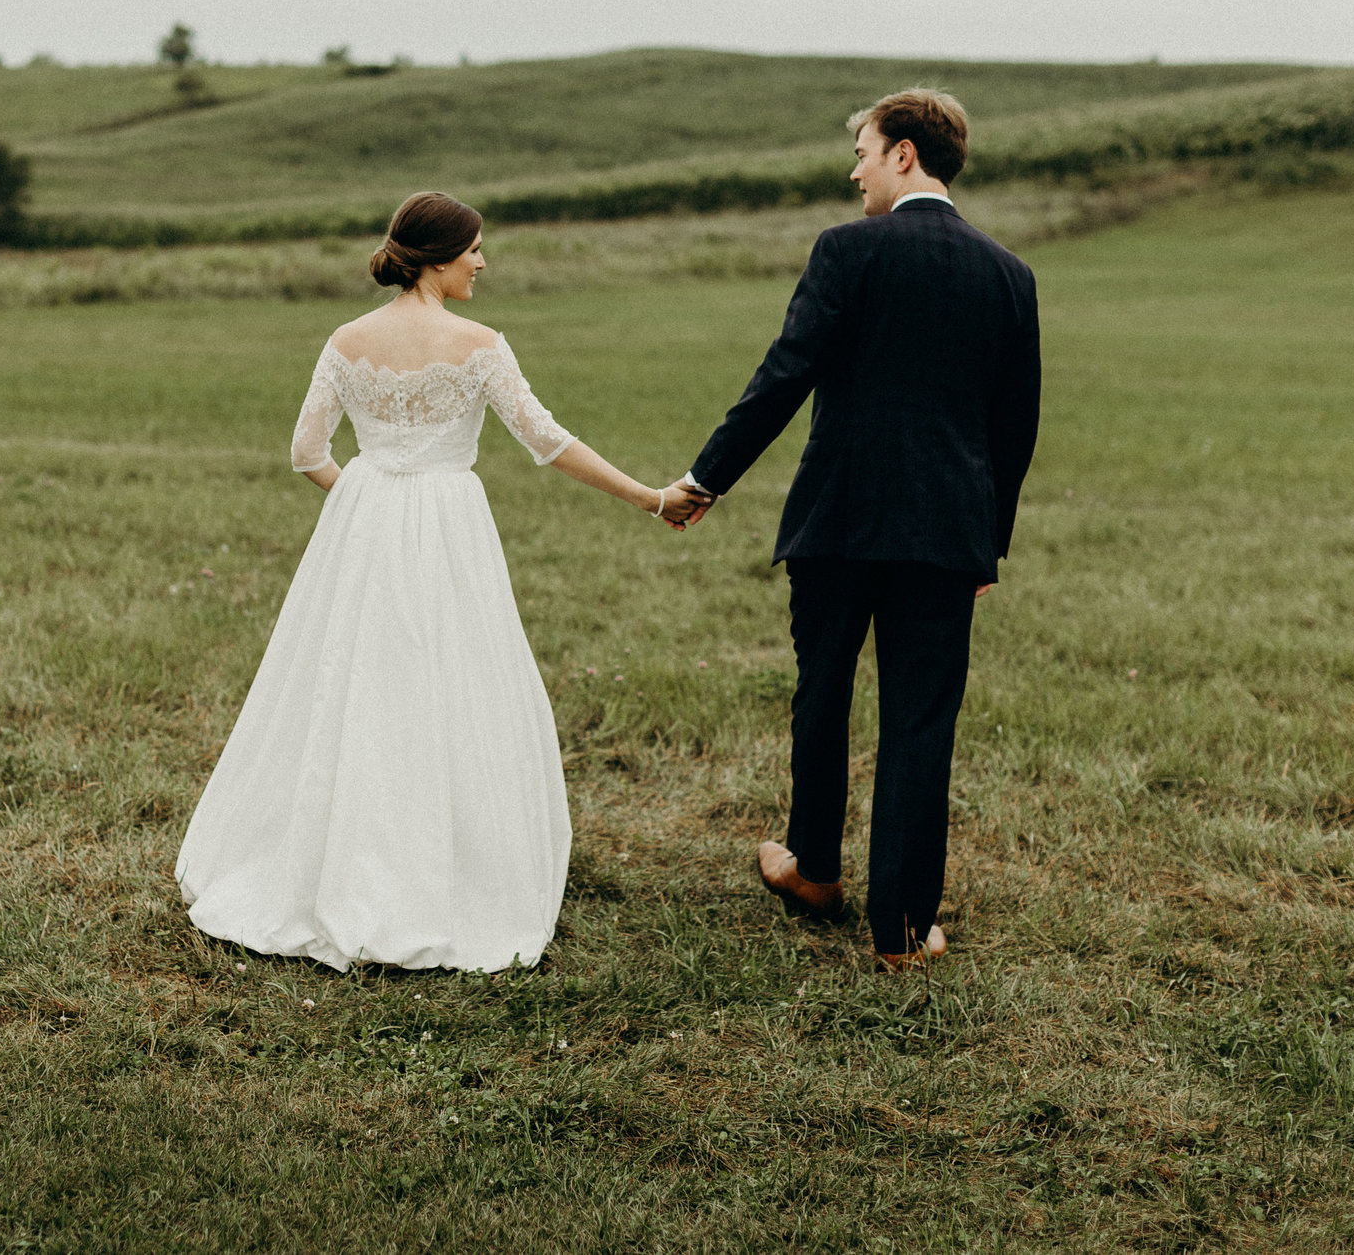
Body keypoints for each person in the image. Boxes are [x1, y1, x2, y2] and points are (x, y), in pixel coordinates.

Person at [176, 191, 687, 972]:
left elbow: (306, 450)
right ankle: (448, 873)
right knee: (456, 685)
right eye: (475, 249)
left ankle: (337, 862)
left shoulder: (346, 339)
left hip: (366, 521)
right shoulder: (478, 342)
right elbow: (548, 442)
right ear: (442, 256)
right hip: (451, 525)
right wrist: (652, 498)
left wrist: (366, 499)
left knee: (351, 687)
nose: (483, 262)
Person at [663, 90, 1041, 970]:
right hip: (946, 534)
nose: (856, 170)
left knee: (822, 689)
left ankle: (817, 870)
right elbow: (1013, 426)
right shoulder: (1007, 273)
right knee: (920, 719)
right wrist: (989, 541)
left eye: (865, 153)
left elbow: (783, 377)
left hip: (837, 519)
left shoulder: (845, 248)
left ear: (905, 154)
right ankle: (904, 932)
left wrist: (704, 478)